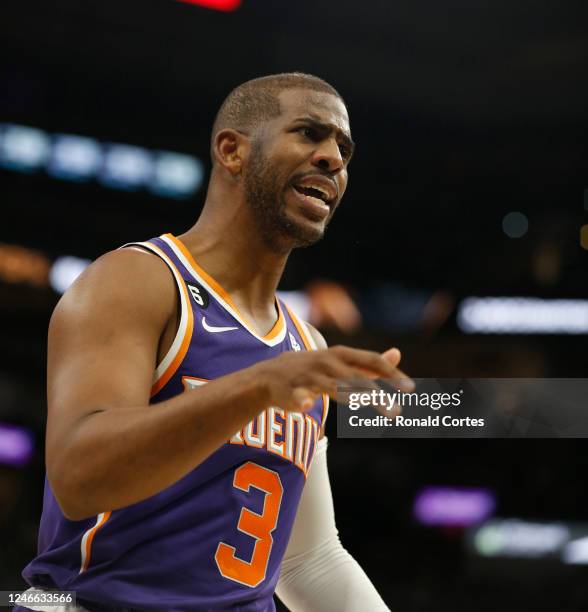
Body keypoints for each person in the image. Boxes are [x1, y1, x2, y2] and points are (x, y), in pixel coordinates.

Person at [17, 73, 409, 612]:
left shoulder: (304, 344)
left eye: (343, 148)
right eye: (309, 134)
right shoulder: (138, 281)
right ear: (232, 151)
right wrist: (259, 386)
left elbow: (308, 560)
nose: (332, 158)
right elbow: (80, 478)